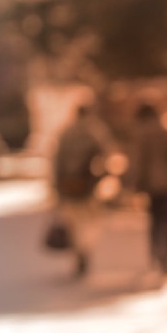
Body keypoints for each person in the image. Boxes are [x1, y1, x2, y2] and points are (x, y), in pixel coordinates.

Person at [126, 102, 167, 274]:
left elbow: (138, 162)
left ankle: (155, 253)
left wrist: (135, 184)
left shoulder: (140, 134)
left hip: (152, 185)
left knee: (155, 221)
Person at [52, 104, 112, 277]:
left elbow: (57, 162)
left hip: (67, 185)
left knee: (73, 222)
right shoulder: (95, 132)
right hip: (87, 185)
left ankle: (78, 252)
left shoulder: (66, 133)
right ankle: (85, 250)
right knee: (89, 221)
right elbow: (106, 156)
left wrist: (57, 187)